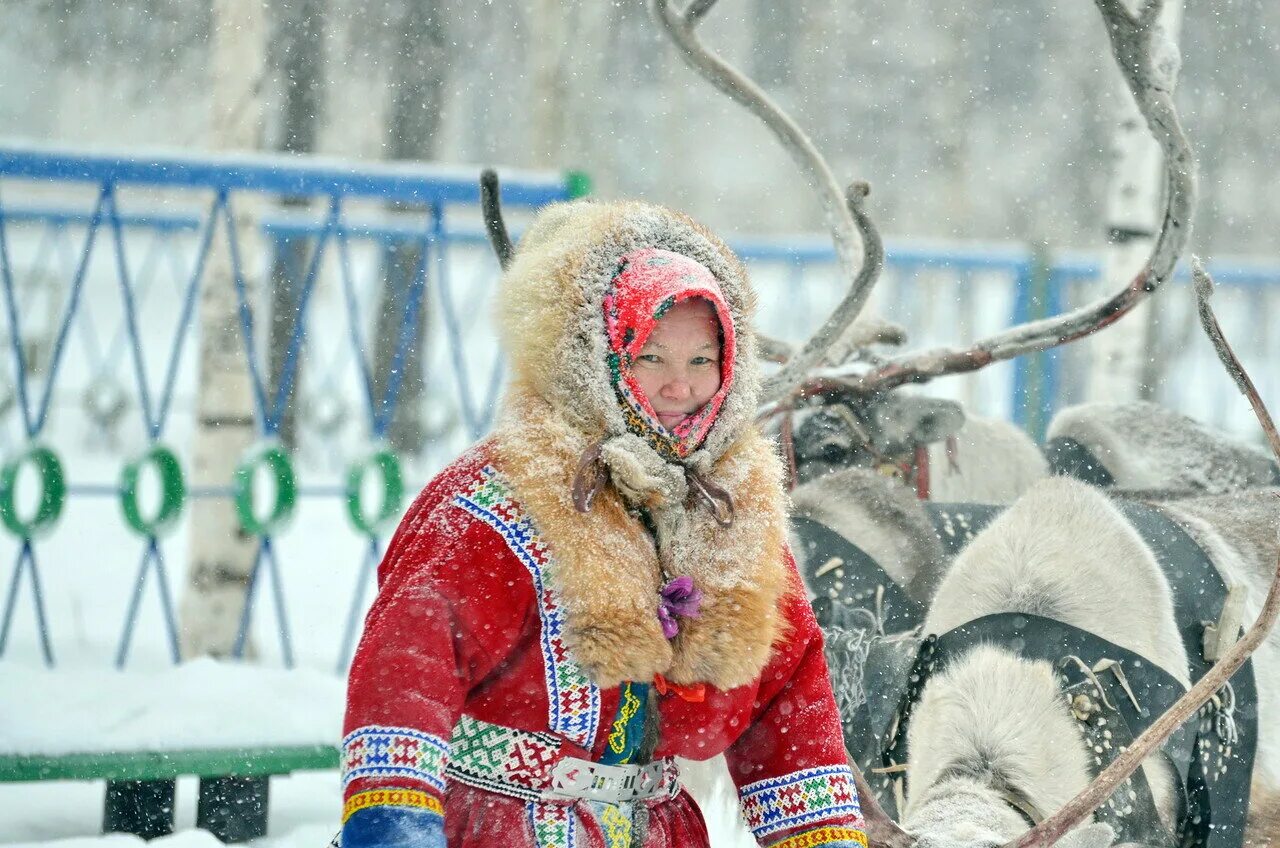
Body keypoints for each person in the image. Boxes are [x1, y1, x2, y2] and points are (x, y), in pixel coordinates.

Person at [339, 199, 866, 848]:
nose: (681, 387)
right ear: (604, 356)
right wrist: (396, 821)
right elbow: (410, 654)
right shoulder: (503, 495)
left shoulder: (732, 515)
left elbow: (789, 704)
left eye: (701, 361)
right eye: (652, 357)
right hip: (498, 825)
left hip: (658, 830)